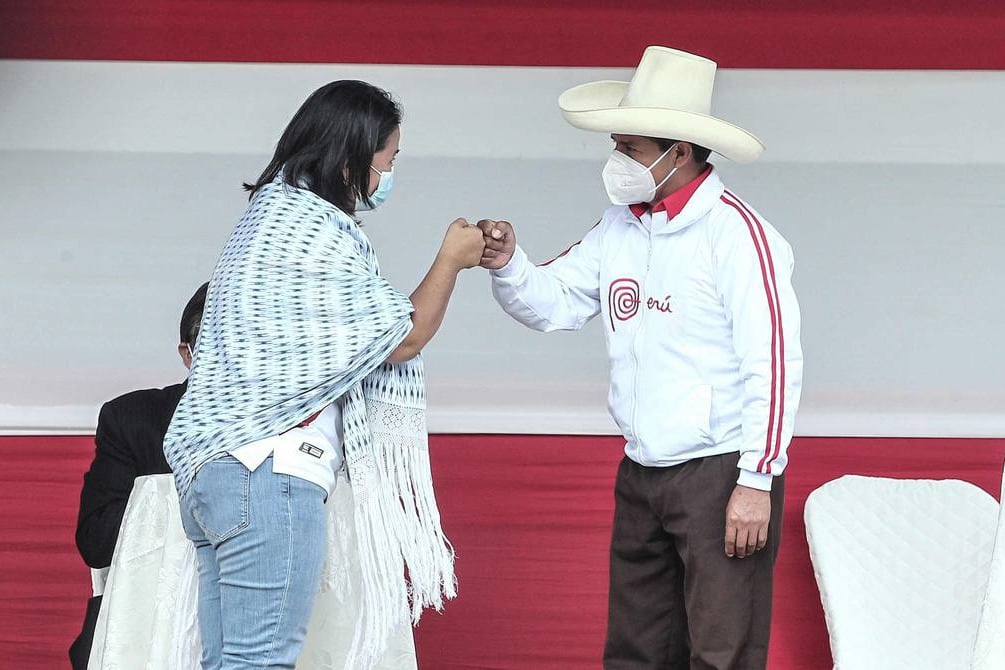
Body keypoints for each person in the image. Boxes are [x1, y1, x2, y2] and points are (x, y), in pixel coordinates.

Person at [478, 46, 803, 669]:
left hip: (721, 471)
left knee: (722, 652)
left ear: (678, 152)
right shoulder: (620, 226)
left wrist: (757, 480)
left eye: (630, 148)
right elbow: (554, 302)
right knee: (636, 651)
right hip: (643, 468)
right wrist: (510, 263)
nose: (617, 161)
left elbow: (774, 361)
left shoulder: (739, 236)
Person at [163, 80, 482, 670]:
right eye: (388, 159)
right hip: (267, 469)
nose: (390, 173)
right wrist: (451, 261)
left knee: (228, 662)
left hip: (215, 468)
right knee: (260, 662)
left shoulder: (267, 219)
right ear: (350, 161)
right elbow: (402, 337)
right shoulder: (309, 229)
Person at [70, 282, 208, 669]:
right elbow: (96, 542)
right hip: (147, 628)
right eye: (217, 341)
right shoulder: (134, 420)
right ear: (187, 354)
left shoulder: (293, 425)